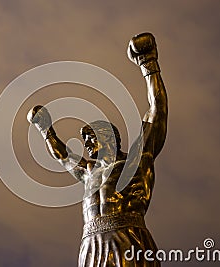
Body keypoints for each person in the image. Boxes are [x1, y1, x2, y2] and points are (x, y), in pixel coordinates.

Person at [27, 32, 167, 266]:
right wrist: (45, 129)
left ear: (110, 138)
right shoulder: (88, 171)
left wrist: (148, 63)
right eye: (85, 141)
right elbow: (62, 155)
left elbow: (157, 111)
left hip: (128, 236)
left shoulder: (135, 161)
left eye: (91, 138)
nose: (87, 145)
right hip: (91, 243)